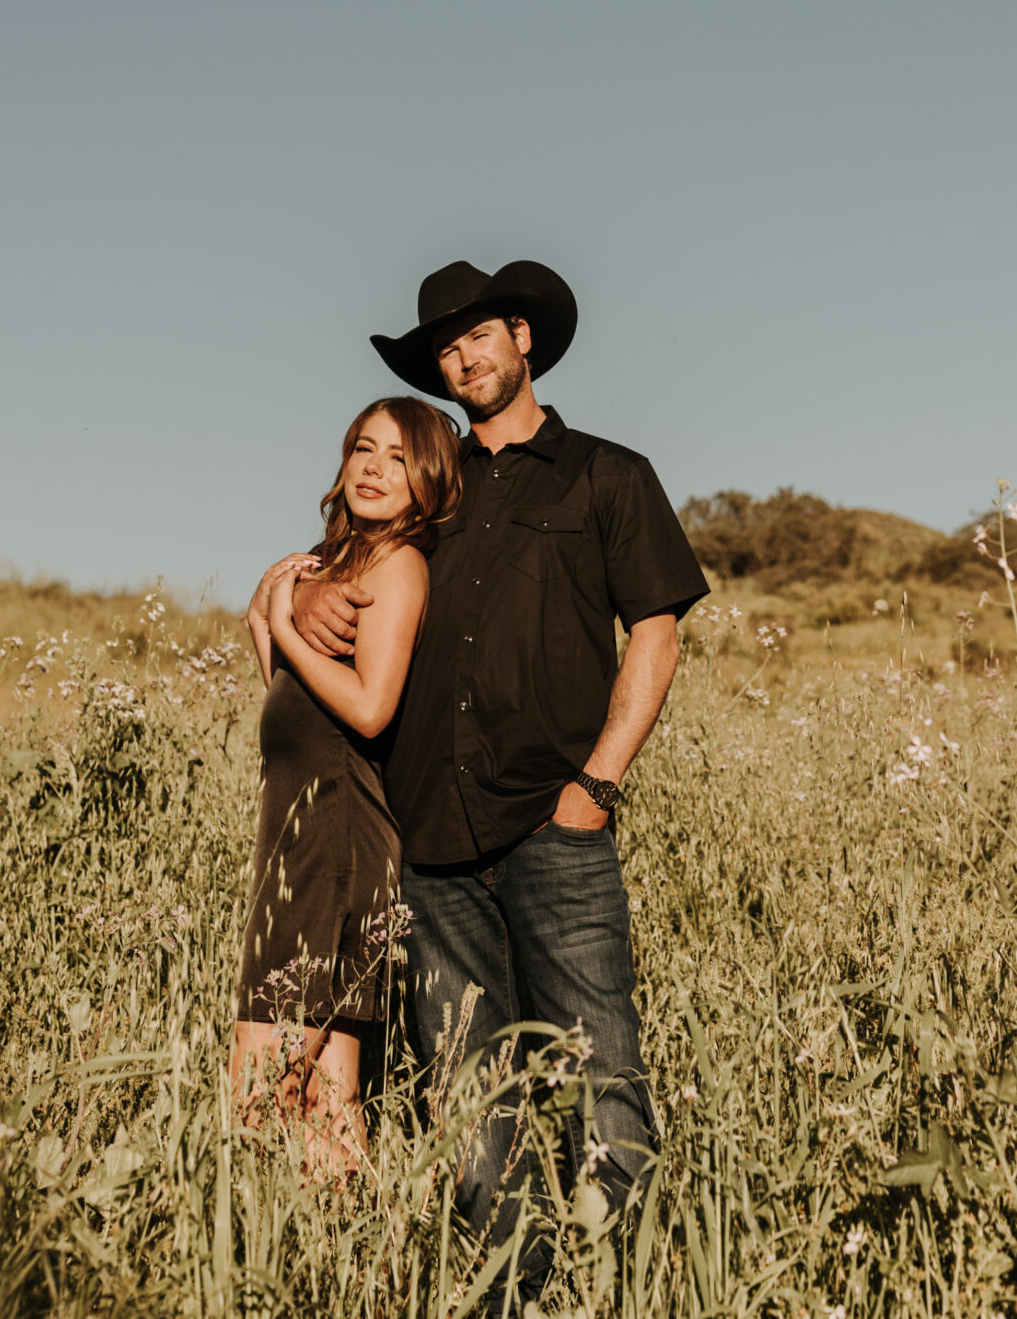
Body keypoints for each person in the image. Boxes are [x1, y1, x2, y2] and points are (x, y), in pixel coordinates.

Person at [293, 259, 707, 1281]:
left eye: (477, 335)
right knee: (470, 1090)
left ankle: (625, 1282)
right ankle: (508, 1291)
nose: (461, 357)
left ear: (523, 337)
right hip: (428, 836)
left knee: (598, 1061)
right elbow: (336, 567)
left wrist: (596, 788)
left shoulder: (609, 474)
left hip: (553, 823)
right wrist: (299, 590)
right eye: (442, 346)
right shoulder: (429, 489)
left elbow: (655, 634)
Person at [231, 394, 461, 1164]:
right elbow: (290, 695)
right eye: (365, 448)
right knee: (328, 1102)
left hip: (334, 840)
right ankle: (358, 1265)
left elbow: (367, 710)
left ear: (426, 480)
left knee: (259, 1092)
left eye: (399, 458)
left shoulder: (398, 565)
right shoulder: (331, 564)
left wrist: (286, 620)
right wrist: (268, 608)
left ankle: (276, 1261)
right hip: (299, 832)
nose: (374, 468)